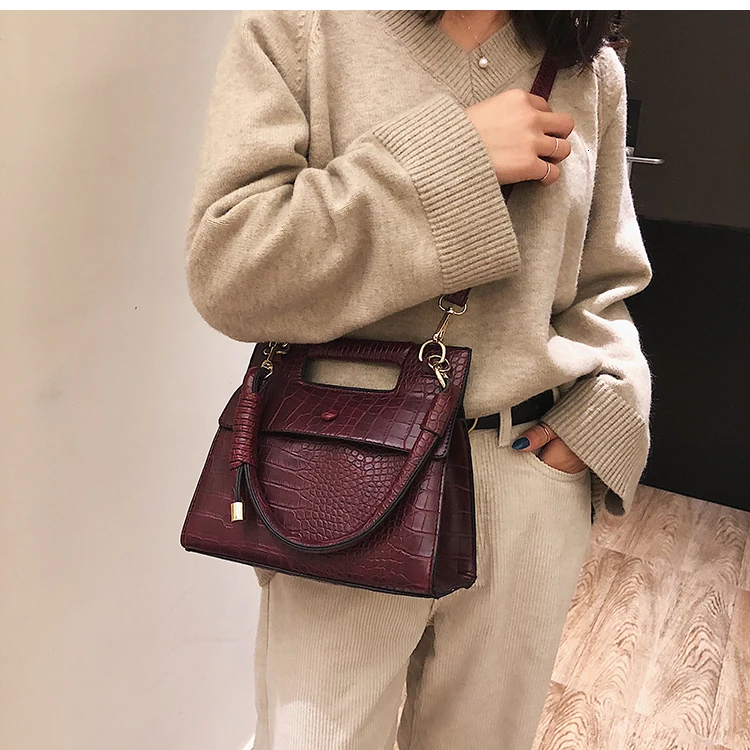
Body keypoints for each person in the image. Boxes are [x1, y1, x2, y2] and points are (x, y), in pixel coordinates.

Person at [183, 10, 653, 750]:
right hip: (343, 473)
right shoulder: (300, 30)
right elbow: (231, 268)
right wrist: (454, 159)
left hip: (529, 477)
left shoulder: (588, 70)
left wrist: (602, 420)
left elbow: (606, 285)